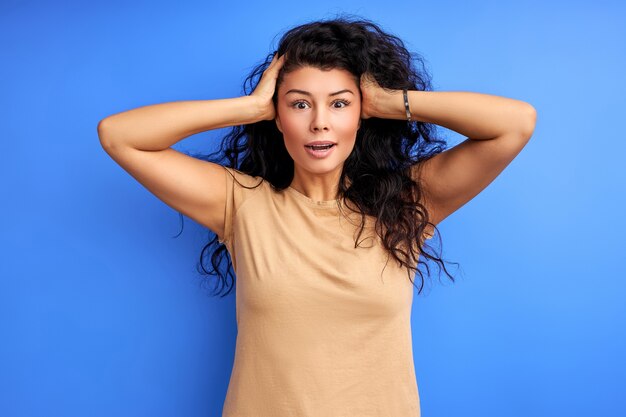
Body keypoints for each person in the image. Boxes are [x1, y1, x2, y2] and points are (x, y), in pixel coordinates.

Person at [98, 15, 536, 417]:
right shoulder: (241, 203)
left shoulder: (405, 204)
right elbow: (120, 136)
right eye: (300, 104)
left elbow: (515, 123)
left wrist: (388, 100)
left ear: (362, 116)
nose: (320, 123)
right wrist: (250, 108)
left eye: (340, 104)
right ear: (279, 116)